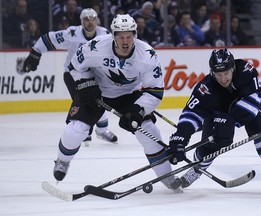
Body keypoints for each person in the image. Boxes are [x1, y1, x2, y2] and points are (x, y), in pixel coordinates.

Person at [52, 14, 182, 192]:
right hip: (96, 91)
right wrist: (85, 84)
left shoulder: (147, 55)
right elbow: (74, 67)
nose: (125, 41)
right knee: (75, 130)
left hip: (129, 95)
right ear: (113, 35)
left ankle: (168, 177)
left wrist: (138, 110)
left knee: (149, 131)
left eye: (129, 36)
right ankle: (62, 161)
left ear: (135, 35)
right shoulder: (96, 46)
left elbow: (155, 91)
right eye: (120, 36)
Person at [168, 48, 261, 191]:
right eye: (218, 74)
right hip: (220, 111)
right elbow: (192, 113)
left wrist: (230, 121)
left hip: (252, 105)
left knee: (260, 132)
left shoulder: (246, 71)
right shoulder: (206, 88)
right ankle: (197, 169)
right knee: (213, 142)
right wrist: (181, 136)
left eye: (226, 73)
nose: (223, 78)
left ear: (233, 68)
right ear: (212, 72)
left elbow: (252, 104)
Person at [22, 8, 118, 144]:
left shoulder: (105, 34)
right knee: (85, 100)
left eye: (93, 19)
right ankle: (83, 129)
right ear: (81, 21)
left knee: (100, 100)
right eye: (86, 19)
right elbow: (48, 38)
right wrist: (35, 52)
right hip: (72, 73)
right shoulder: (72, 34)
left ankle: (102, 131)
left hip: (94, 74)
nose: (90, 22)